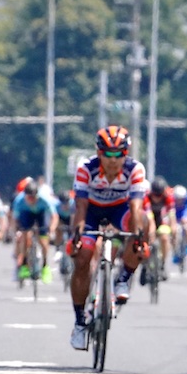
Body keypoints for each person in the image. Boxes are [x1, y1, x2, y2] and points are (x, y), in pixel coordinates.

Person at [68, 125, 149, 350]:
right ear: (98, 151)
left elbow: (135, 205)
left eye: (119, 154)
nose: (113, 160)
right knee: (83, 258)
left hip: (120, 210)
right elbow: (81, 206)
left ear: (127, 153)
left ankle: (123, 277)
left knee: (142, 222)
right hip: (91, 211)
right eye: (107, 154)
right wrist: (78, 234)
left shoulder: (135, 169)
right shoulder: (86, 168)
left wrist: (138, 237)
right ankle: (80, 321)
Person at [12, 178, 57, 282]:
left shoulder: (44, 199)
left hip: (40, 214)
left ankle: (45, 266)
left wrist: (52, 228)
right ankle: (24, 264)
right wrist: (15, 231)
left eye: (34, 198)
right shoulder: (19, 201)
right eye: (29, 198)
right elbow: (14, 219)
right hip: (26, 214)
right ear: (25, 196)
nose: (32, 200)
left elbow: (54, 216)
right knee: (25, 236)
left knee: (43, 240)